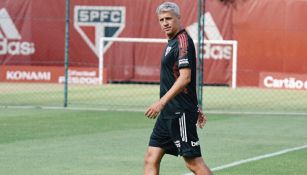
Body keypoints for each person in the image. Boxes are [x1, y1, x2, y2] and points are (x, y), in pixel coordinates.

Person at [144, 2, 213, 175]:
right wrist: (195, 106)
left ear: (178, 18)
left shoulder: (183, 42)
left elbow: (185, 78)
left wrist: (161, 103)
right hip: (169, 112)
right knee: (151, 157)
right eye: (161, 20)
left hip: (179, 112)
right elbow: (182, 79)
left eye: (168, 18)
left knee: (193, 163)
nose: (165, 23)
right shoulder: (172, 42)